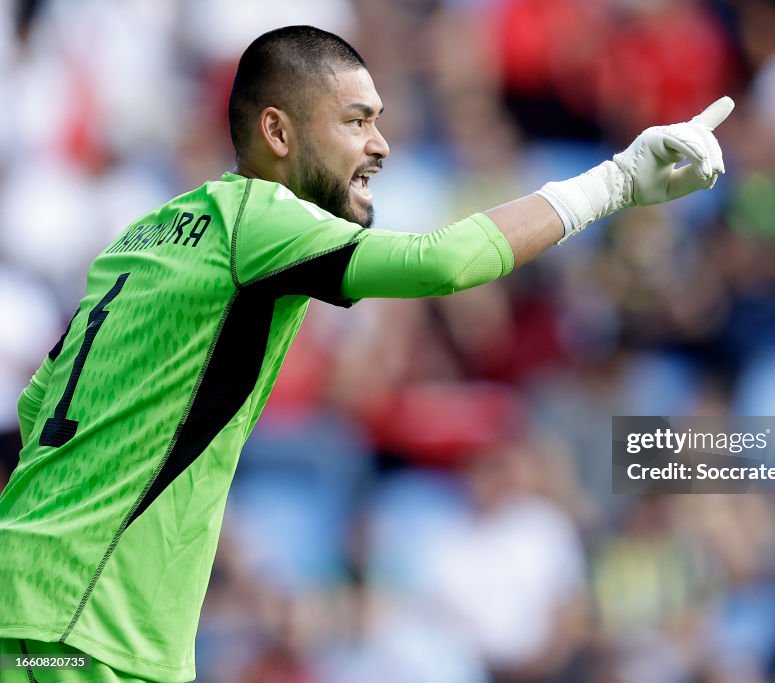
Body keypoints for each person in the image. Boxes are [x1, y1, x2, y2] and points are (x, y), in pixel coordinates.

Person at [0, 25, 732, 683]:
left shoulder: (144, 233)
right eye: (356, 122)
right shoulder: (260, 218)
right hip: (85, 624)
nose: (380, 145)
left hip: (40, 598)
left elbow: (37, 408)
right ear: (279, 132)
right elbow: (442, 262)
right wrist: (619, 182)